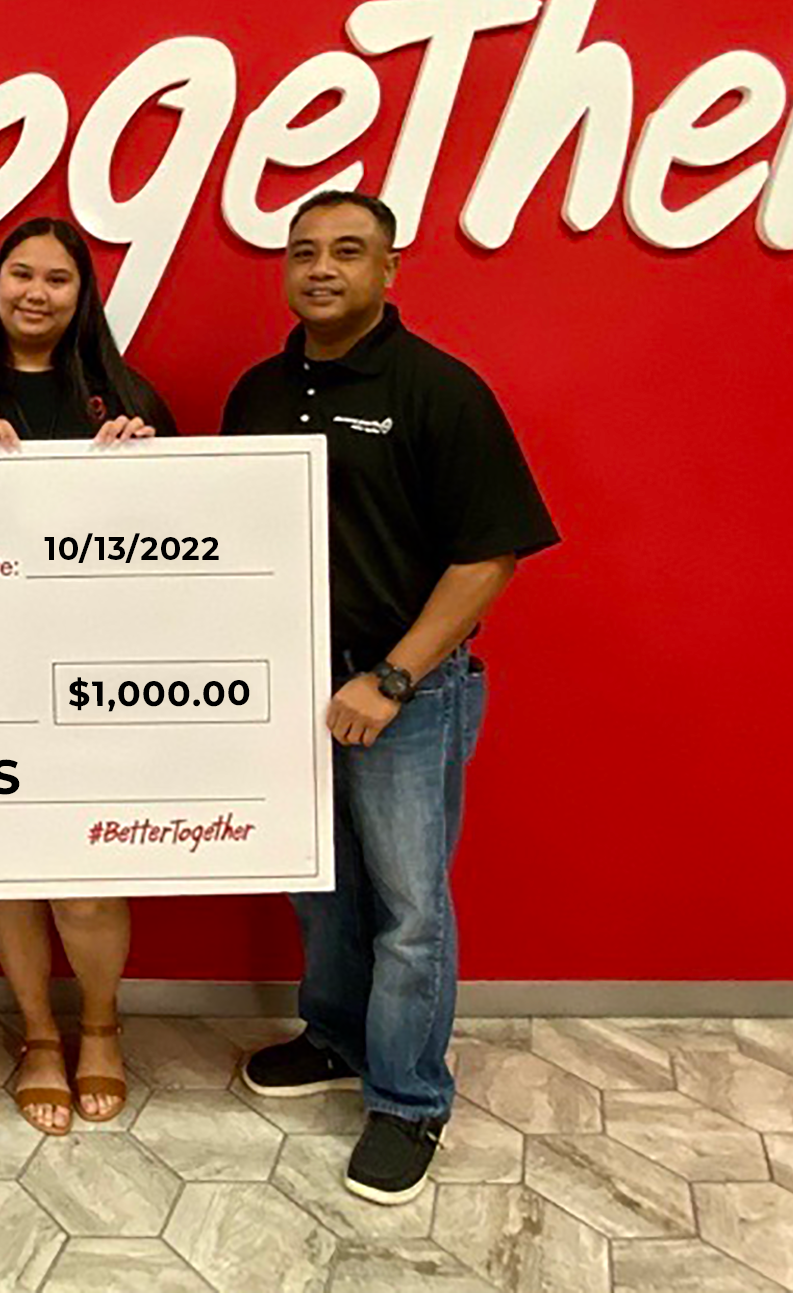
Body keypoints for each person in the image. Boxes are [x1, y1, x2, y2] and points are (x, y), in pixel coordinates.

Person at [222, 189, 557, 1205]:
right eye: (305, 251)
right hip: (292, 686)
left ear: (390, 270)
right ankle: (332, 1036)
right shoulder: (259, 392)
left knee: (411, 904)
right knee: (319, 884)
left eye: (348, 252)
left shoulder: (439, 389)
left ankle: (408, 1097)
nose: (322, 268)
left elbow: (489, 554)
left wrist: (395, 675)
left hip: (407, 689)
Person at [0, 216, 174, 1134]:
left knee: (90, 875)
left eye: (59, 279)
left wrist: (146, 473)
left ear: (81, 295)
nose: (37, 292)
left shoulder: (131, 400)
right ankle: (39, 1036)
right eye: (21, 273)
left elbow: (181, 550)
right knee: (10, 866)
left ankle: (101, 1026)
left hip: (100, 678)